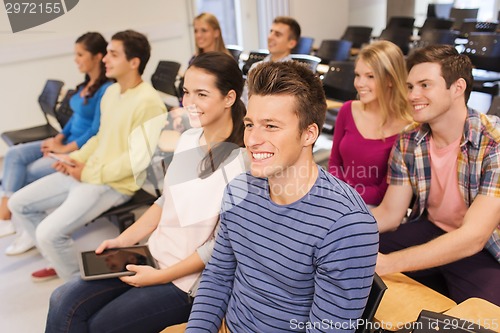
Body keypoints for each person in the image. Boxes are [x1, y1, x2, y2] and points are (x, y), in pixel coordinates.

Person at [45, 51, 248, 332]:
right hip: (152, 255)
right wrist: (124, 241)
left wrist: (160, 276)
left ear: (229, 97)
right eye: (187, 92)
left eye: (202, 94)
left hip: (187, 283)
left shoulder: (240, 163)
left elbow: (218, 247)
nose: (189, 103)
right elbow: (165, 201)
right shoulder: (189, 138)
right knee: (62, 299)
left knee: (100, 325)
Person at [184, 61, 379, 332]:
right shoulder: (239, 190)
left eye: (271, 126)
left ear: (309, 134)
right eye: (250, 124)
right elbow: (218, 277)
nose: (251, 140)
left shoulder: (346, 225)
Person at [8, 30, 166, 282]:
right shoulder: (113, 92)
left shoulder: (149, 102)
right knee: (18, 203)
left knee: (48, 234)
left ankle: (76, 287)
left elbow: (136, 162)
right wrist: (75, 158)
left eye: (113, 54)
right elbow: (101, 136)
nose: (105, 59)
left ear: (134, 62)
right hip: (87, 172)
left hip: (113, 184)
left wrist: (87, 171)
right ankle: (58, 260)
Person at [372, 44, 500, 305]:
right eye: (410, 86)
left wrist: (387, 264)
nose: (412, 95)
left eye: (425, 85)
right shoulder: (409, 139)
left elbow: (474, 236)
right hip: (429, 229)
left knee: (485, 319)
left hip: (484, 246)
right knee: (347, 257)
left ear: (457, 88)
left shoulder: (494, 143)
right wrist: (335, 229)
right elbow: (390, 213)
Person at [0, 32, 112, 255]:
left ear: (98, 56)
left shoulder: (106, 89)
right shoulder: (84, 85)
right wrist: (58, 139)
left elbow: (95, 130)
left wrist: (64, 149)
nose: (76, 59)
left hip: (80, 149)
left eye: (80, 54)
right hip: (67, 142)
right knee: (14, 154)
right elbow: (74, 120)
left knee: (28, 171)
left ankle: (17, 222)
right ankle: (8, 215)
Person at [328, 40, 412, 207]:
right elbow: (334, 163)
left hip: (373, 209)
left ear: (390, 80)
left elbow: (383, 193)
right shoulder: (347, 110)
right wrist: (338, 192)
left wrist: (345, 195)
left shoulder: (408, 129)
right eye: (357, 75)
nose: (359, 83)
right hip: (337, 197)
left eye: (370, 76)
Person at [171, 12, 231, 132]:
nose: (199, 35)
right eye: (196, 31)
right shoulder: (194, 60)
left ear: (216, 33)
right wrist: (180, 111)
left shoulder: (225, 63)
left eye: (204, 30)